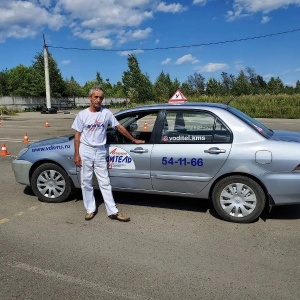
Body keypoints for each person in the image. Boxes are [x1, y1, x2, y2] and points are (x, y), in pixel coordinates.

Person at [71, 87, 145, 221]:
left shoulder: (106, 113)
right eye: (96, 97)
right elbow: (77, 136)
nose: (98, 100)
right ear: (90, 98)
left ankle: (113, 211)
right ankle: (90, 209)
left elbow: (119, 127)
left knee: (104, 182)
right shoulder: (82, 115)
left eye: (101, 98)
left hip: (100, 150)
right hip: (86, 150)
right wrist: (77, 154)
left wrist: (133, 140)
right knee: (86, 182)